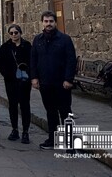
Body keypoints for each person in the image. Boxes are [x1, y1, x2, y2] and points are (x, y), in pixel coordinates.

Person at [31, 10, 77, 150]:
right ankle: (53, 139)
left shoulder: (64, 39)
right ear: (42, 23)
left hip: (61, 83)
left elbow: (71, 60)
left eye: (51, 21)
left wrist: (68, 79)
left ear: (55, 23)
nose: (48, 24)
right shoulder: (37, 40)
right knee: (50, 112)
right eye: (46, 21)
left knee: (65, 112)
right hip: (45, 83)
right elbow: (33, 60)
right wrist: (34, 77)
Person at [0, 24, 32, 144]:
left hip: (24, 81)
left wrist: (29, 74)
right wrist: (6, 74)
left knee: (25, 105)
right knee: (12, 105)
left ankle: (25, 131)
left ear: (20, 33)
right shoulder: (5, 47)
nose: (14, 35)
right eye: (11, 33)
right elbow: (0, 62)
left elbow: (32, 61)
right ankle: (14, 129)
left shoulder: (27, 46)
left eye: (16, 32)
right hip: (11, 81)